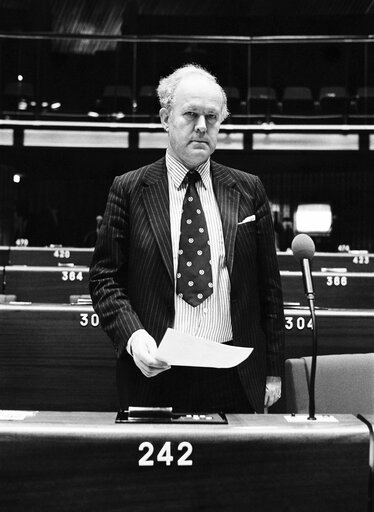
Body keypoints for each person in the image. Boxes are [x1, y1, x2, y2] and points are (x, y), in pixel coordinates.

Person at [89, 64, 285, 413]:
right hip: (154, 371)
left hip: (233, 373)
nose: (201, 126)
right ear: (166, 117)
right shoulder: (130, 188)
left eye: (212, 116)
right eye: (190, 114)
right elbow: (105, 280)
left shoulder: (248, 189)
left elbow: (268, 287)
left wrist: (273, 370)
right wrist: (134, 338)